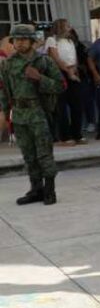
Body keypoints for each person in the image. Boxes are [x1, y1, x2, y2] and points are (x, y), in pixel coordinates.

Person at [0, 24, 64, 205]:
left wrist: (39, 78)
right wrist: (5, 113)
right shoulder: (8, 64)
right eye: (17, 40)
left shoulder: (43, 61)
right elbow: (4, 91)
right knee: (28, 154)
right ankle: (36, 189)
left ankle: (50, 190)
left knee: (44, 153)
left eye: (24, 39)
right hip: (19, 114)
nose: (20, 43)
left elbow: (60, 86)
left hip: (38, 113)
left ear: (31, 41)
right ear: (12, 42)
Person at [45, 19, 85, 146]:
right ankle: (64, 136)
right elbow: (55, 58)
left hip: (72, 71)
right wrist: (68, 72)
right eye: (67, 25)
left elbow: (74, 57)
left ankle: (77, 134)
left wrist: (74, 70)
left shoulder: (70, 40)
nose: (70, 27)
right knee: (61, 107)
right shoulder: (52, 40)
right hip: (59, 74)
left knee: (77, 105)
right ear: (60, 27)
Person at [71, 29, 97, 134]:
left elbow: (88, 61)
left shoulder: (81, 47)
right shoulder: (64, 47)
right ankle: (80, 124)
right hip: (71, 78)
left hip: (83, 77)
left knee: (87, 100)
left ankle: (91, 122)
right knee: (76, 103)